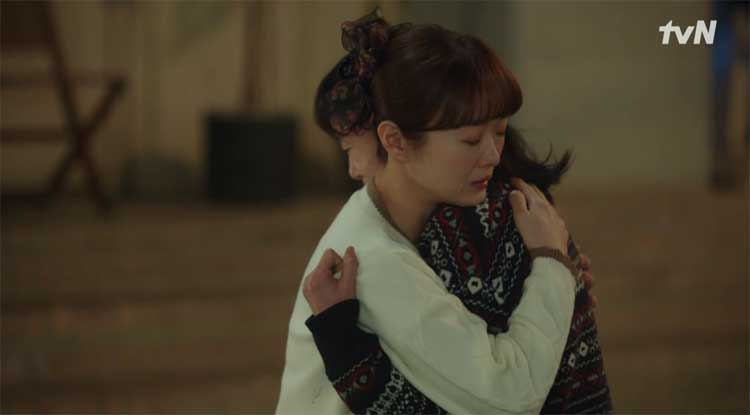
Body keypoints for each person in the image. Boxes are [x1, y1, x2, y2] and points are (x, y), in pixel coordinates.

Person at [277, 9, 609, 415]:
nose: (493, 155)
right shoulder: (373, 263)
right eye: (470, 141)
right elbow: (511, 394)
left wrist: (554, 283)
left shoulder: (437, 221)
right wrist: (552, 265)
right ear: (395, 141)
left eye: (500, 132)